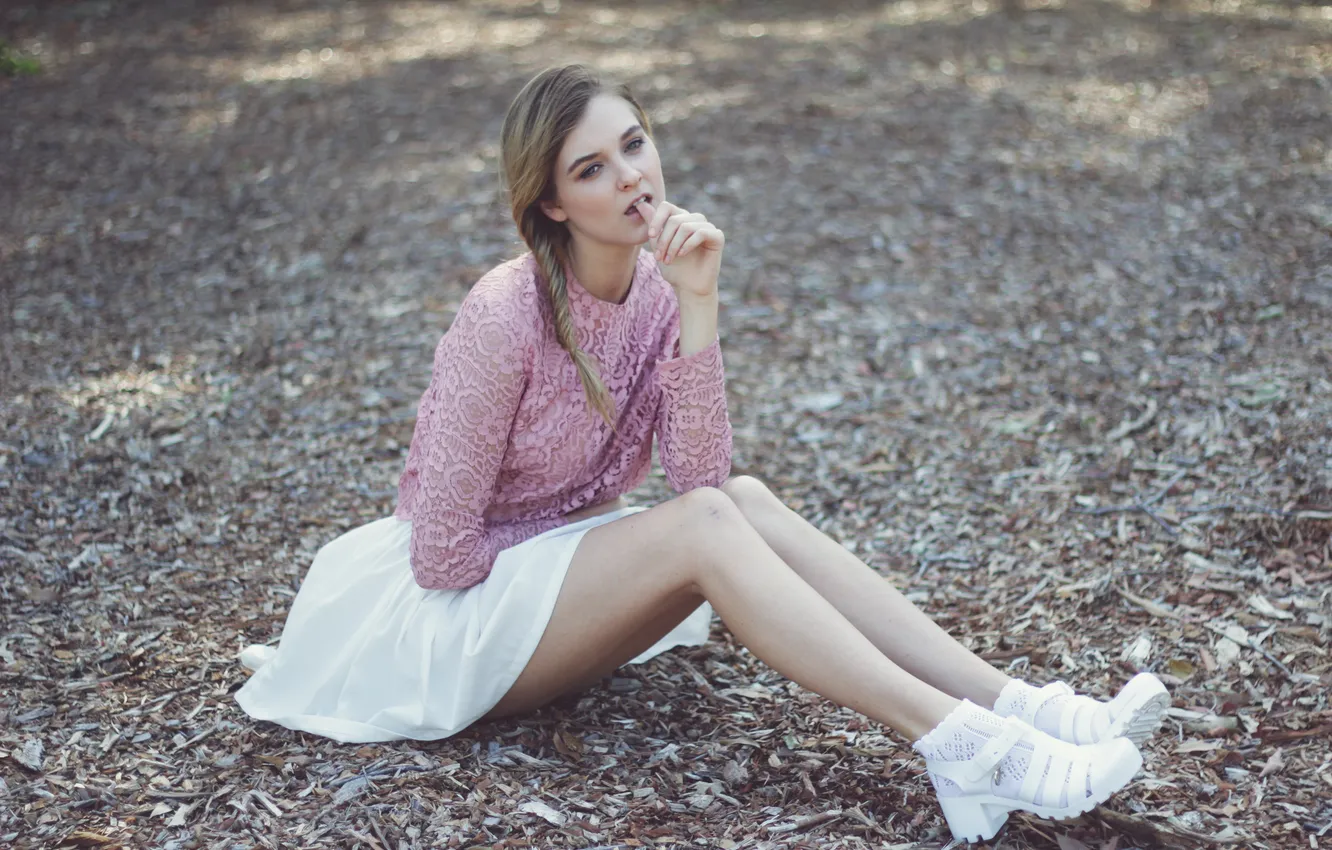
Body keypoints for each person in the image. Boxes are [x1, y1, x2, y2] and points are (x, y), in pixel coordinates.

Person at [235, 65, 1170, 843]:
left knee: (745, 501)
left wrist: (698, 301)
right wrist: (572, 565)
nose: (629, 177)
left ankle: (1022, 708)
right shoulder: (503, 312)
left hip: (541, 582)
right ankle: (963, 746)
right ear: (552, 203)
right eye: (592, 169)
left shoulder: (654, 289)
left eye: (634, 145)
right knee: (710, 522)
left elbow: (701, 481)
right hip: (444, 626)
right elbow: (442, 552)